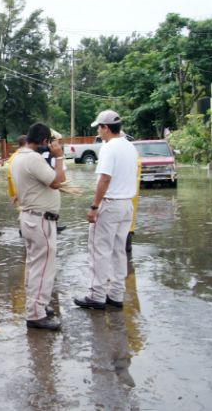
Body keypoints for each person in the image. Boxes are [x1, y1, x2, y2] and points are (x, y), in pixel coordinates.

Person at [74, 110, 138, 312]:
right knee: (119, 250)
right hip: (127, 204)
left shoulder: (109, 148)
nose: (98, 132)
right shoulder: (130, 147)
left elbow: (104, 179)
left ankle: (97, 295)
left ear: (106, 128)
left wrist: (94, 207)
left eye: (99, 128)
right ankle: (116, 294)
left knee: (99, 250)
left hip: (110, 205)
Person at [11, 122, 66, 330]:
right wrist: (59, 156)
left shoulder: (20, 155)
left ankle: (38, 305)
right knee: (43, 269)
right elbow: (58, 181)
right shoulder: (33, 158)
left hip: (31, 218)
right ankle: (35, 314)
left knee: (35, 267)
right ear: (44, 141)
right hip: (40, 220)